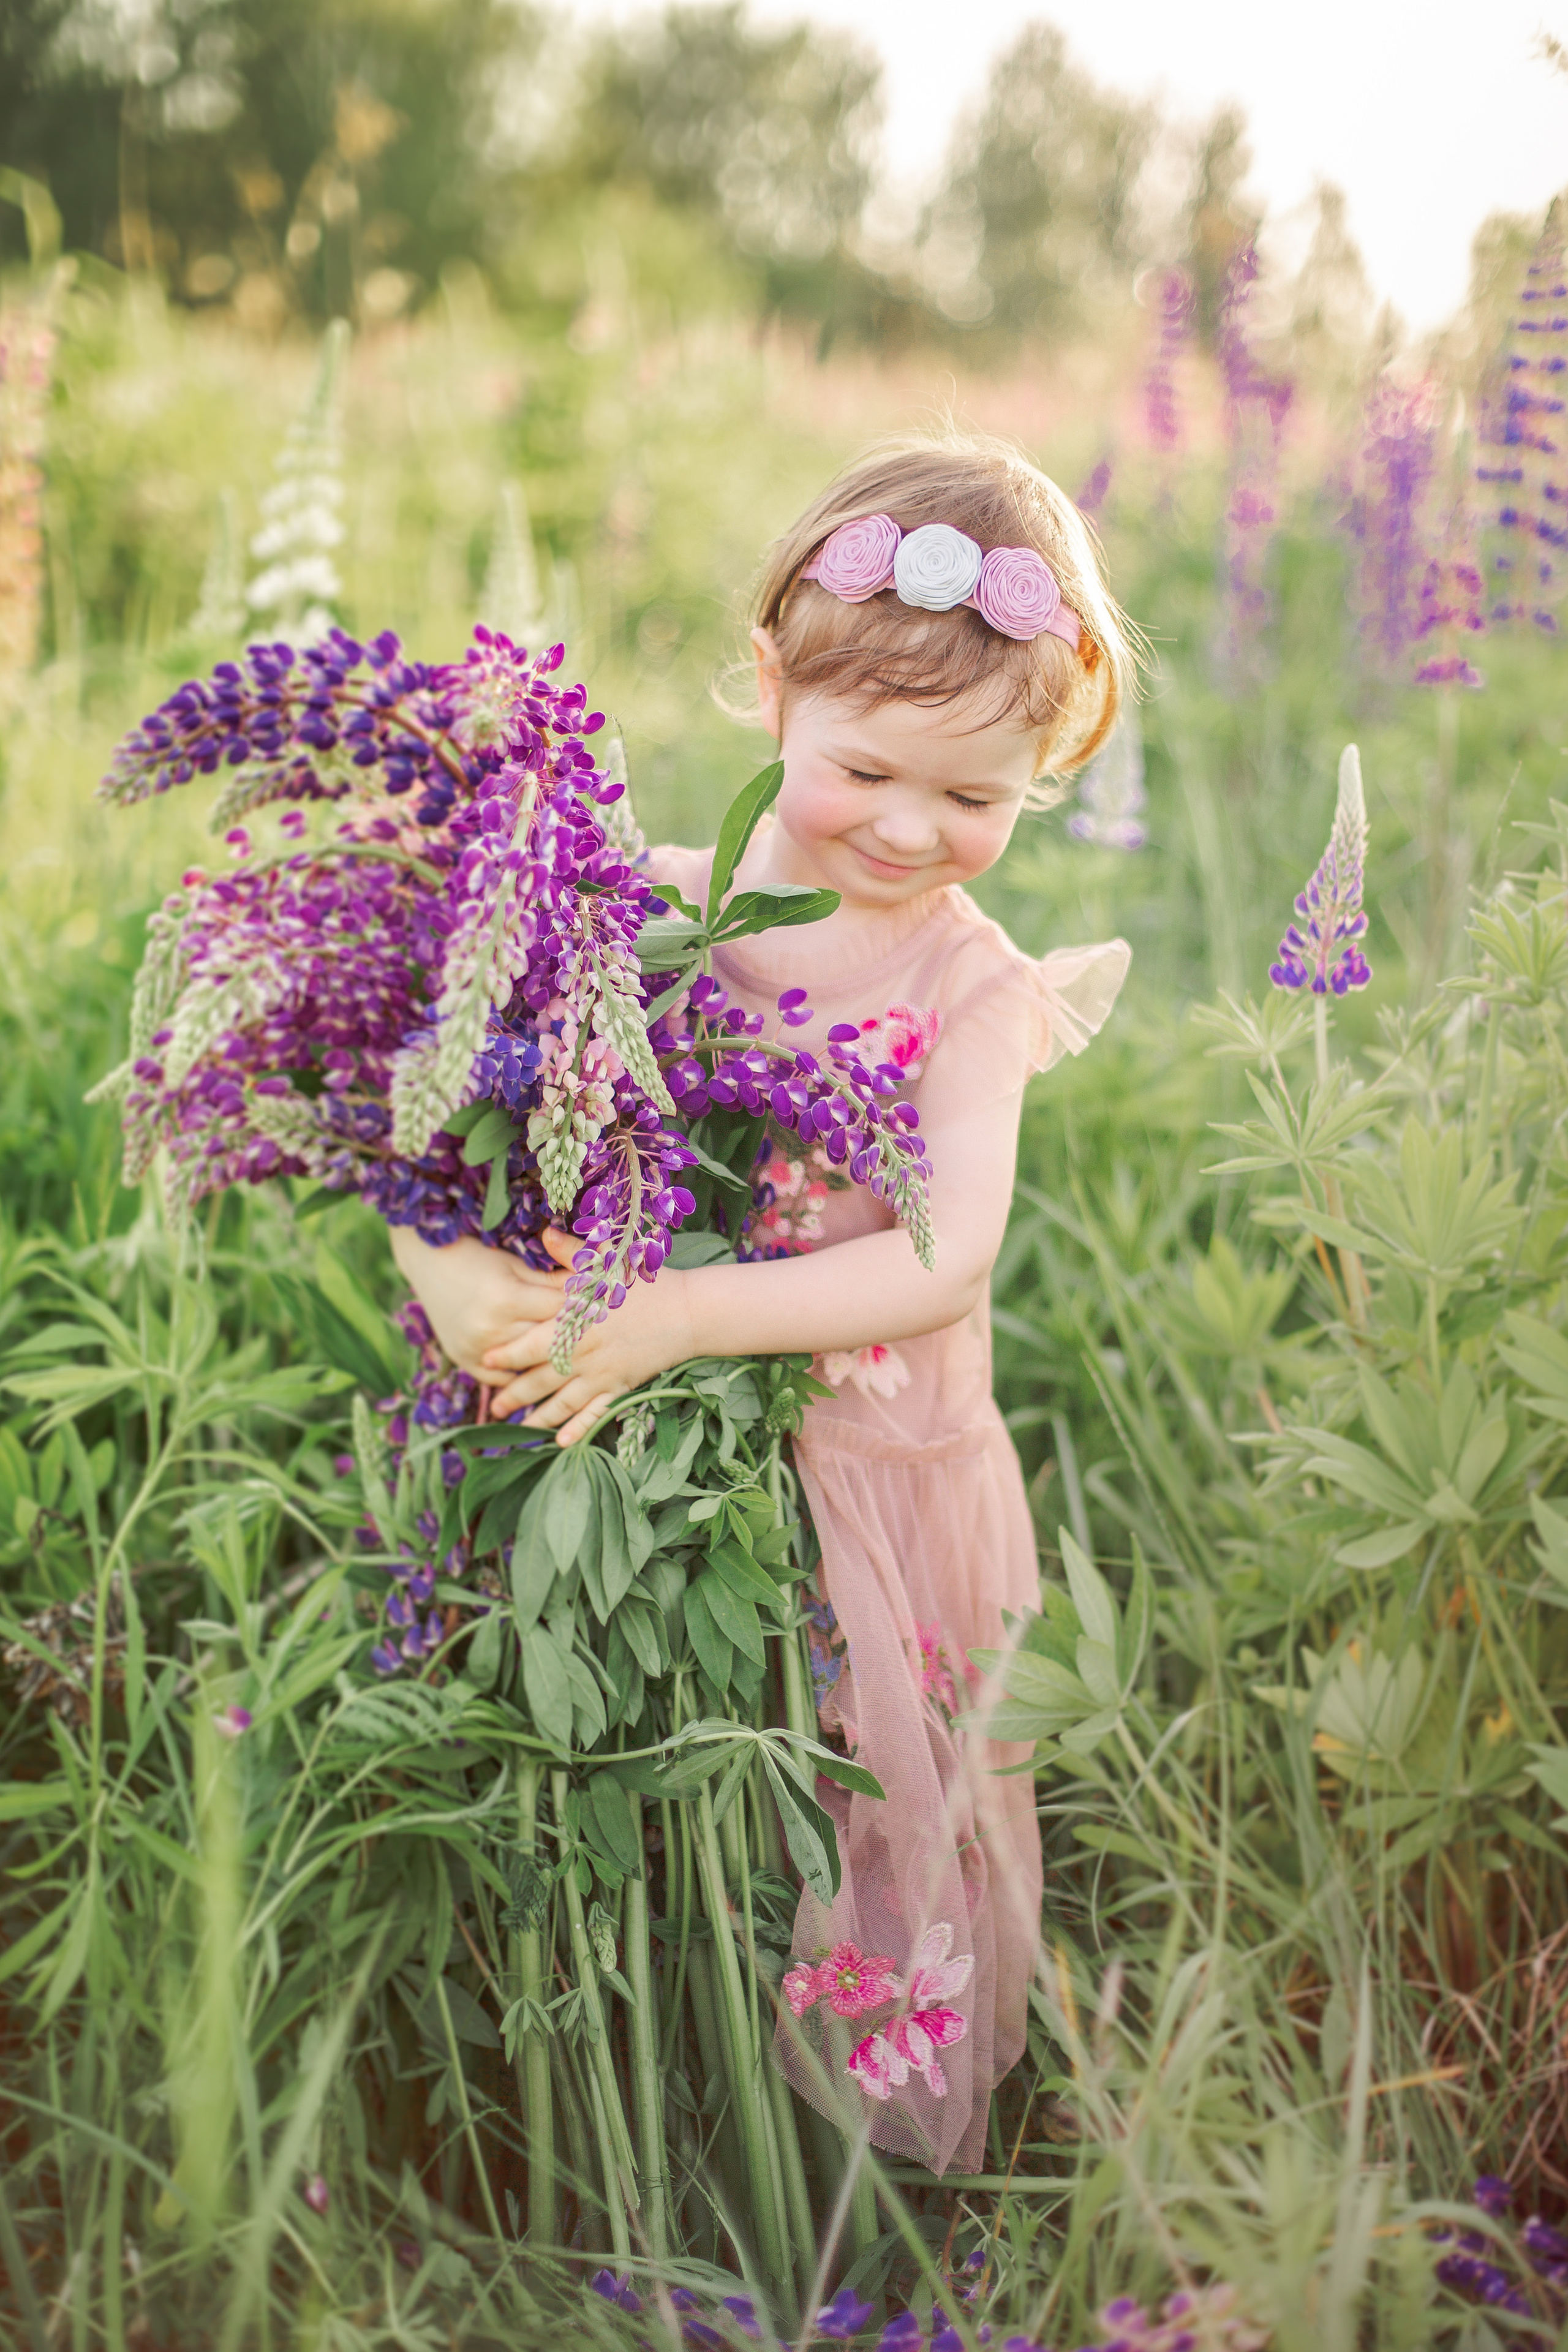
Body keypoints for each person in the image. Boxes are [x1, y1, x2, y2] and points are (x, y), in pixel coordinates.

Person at [387, 429, 1136, 2176]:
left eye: (977, 800)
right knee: (671, 1779)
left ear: (1052, 770)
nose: (905, 829)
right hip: (668, 1479)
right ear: (772, 692)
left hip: (876, 1473)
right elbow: (440, 1084)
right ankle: (638, 2088)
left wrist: (661, 1323)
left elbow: (947, 1254)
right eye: (867, 768)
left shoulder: (972, 987)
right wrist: (452, 1267)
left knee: (868, 1806)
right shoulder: (664, 904)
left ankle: (852, 2177)